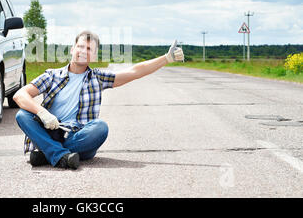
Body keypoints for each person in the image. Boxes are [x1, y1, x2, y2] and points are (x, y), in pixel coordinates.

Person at [13, 30, 184, 170]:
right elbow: (20, 95)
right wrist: (42, 113)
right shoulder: (52, 75)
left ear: (94, 56)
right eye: (80, 46)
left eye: (88, 49)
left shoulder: (98, 78)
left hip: (77, 137)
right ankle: (59, 156)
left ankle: (47, 152)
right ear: (72, 49)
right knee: (22, 115)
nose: (82, 51)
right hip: (50, 130)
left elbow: (135, 71)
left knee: (100, 128)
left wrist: (166, 59)